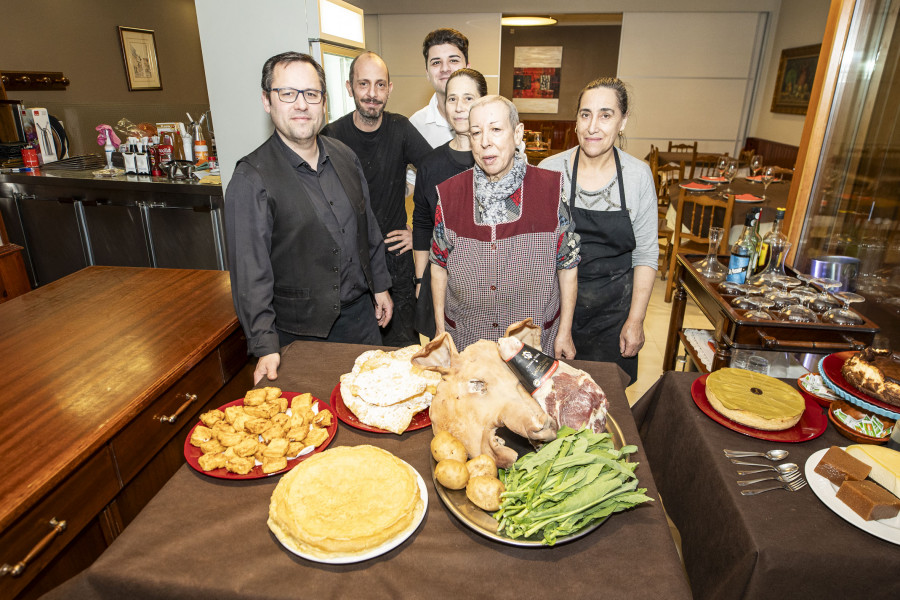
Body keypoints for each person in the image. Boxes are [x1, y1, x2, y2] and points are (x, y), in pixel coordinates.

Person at [225, 51, 393, 384]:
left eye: (311, 94)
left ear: (324, 103)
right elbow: (250, 273)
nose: (301, 104)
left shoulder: (345, 156)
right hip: (300, 335)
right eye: (287, 93)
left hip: (362, 322)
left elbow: (368, 228)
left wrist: (381, 286)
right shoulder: (251, 179)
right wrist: (264, 344)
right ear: (266, 101)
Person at [429, 95, 580, 357]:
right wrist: (441, 331)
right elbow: (438, 264)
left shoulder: (550, 190)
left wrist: (565, 331)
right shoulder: (450, 193)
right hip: (468, 339)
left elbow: (567, 265)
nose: (485, 141)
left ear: (518, 133)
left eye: (496, 130)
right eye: (476, 133)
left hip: (531, 340)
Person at [539, 77, 657, 383]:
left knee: (606, 408)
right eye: (585, 114)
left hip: (613, 316)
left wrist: (636, 320)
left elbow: (645, 254)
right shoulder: (550, 171)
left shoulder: (638, 176)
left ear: (623, 122)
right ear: (576, 121)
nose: (593, 126)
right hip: (556, 309)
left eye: (606, 115)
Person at [321, 52, 432, 346]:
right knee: (354, 352)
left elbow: (440, 177)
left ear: (390, 89)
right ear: (349, 87)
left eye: (380, 85)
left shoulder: (400, 129)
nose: (372, 94)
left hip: (395, 259)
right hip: (350, 264)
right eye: (364, 84)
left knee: (403, 351)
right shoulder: (331, 136)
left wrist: (422, 234)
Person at [412, 68, 487, 338]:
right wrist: (421, 279)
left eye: (468, 98)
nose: (458, 107)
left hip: (485, 287)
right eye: (452, 98)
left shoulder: (497, 161)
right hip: (439, 282)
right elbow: (422, 223)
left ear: (483, 103)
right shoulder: (431, 164)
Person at [409, 28, 470, 148]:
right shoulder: (415, 126)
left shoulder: (493, 117)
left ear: (468, 69)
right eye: (436, 62)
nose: (445, 69)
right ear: (427, 73)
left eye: (453, 60)